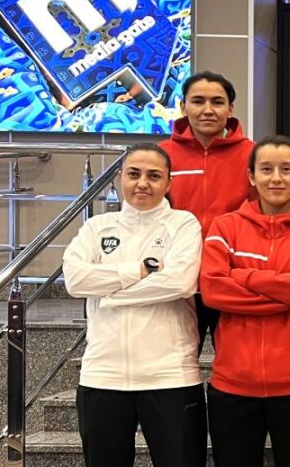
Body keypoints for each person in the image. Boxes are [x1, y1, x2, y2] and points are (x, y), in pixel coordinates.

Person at [200, 135, 290, 467]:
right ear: (251, 176)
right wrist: (288, 287)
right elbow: (214, 291)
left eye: (286, 169)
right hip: (233, 383)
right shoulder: (225, 227)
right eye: (266, 169)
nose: (276, 178)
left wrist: (242, 276)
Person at [63, 144, 205, 467]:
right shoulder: (97, 227)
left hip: (170, 377)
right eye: (134, 174)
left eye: (154, 176)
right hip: (103, 376)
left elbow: (179, 282)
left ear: (168, 183)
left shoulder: (183, 224)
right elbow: (75, 279)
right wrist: (136, 271)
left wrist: (109, 293)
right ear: (120, 177)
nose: (143, 183)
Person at [159, 70, 254, 354]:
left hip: (233, 277)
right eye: (198, 101)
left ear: (230, 109)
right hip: (178, 280)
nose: (208, 110)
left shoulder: (253, 155)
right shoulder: (162, 156)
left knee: (237, 360)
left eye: (217, 102)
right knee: (178, 362)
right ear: (183, 106)